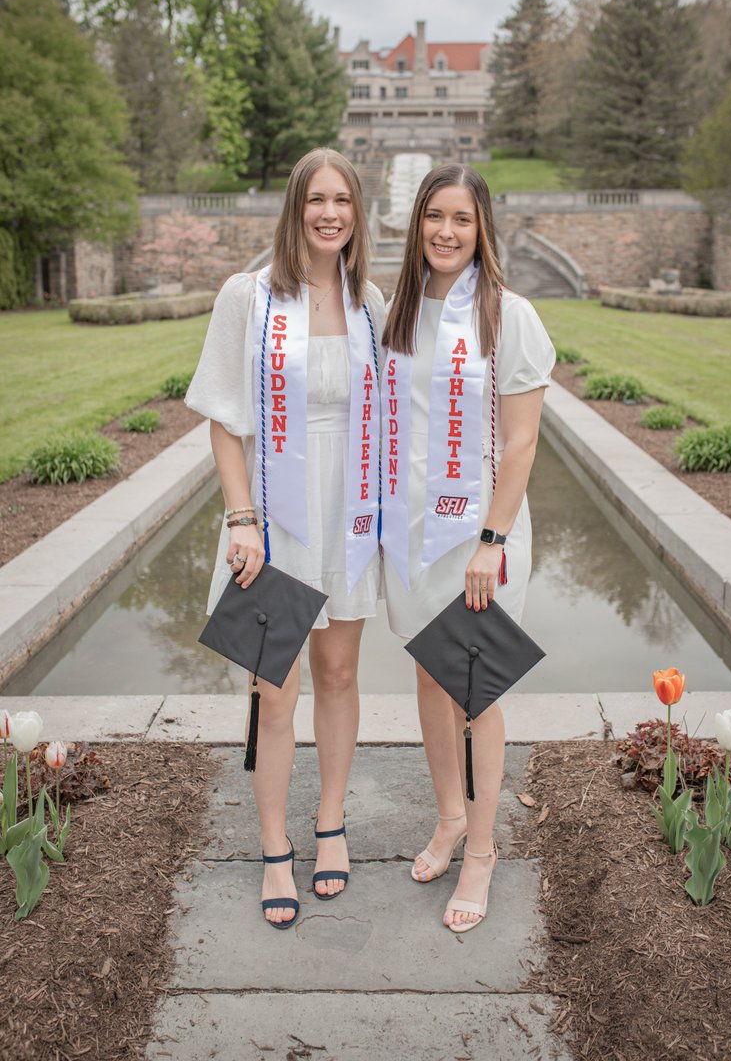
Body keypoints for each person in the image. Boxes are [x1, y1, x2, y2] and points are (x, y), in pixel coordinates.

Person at [186, 149, 384, 928]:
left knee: (338, 677)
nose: (330, 213)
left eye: (343, 201)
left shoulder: (369, 300)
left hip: (351, 511)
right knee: (276, 691)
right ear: (294, 208)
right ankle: (274, 844)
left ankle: (329, 825)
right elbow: (225, 421)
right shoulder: (251, 296)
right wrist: (242, 521)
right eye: (316, 200)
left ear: (357, 212)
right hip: (273, 515)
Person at [381, 164, 554, 933]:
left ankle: (481, 850)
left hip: (483, 538)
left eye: (461, 218)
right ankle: (450, 817)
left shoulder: (508, 316)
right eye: (433, 217)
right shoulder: (402, 310)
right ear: (416, 224)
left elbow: (520, 445)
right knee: (429, 678)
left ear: (483, 228)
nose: (446, 232)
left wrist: (490, 541)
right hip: (415, 533)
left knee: (477, 696)